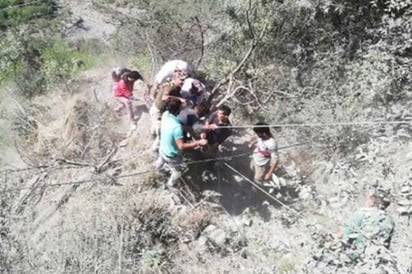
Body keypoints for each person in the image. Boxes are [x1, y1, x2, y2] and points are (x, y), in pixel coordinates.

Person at [155, 98, 208, 187]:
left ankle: (157, 171)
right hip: (172, 155)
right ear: (178, 110)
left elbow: (185, 128)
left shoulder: (165, 115)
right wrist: (198, 142)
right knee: (177, 173)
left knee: (160, 160)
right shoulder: (177, 127)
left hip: (162, 148)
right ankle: (170, 185)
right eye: (181, 107)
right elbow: (182, 146)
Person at [339, 190, 395, 255]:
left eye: (368, 198)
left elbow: (343, 234)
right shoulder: (389, 220)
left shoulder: (361, 214)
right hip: (379, 257)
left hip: (357, 256)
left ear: (372, 200)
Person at [149, 71, 187, 151]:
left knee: (156, 128)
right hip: (157, 111)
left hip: (162, 111)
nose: (183, 82)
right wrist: (179, 99)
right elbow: (164, 97)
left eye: (184, 80)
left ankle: (153, 136)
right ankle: (154, 149)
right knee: (160, 129)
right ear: (175, 79)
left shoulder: (177, 88)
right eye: (181, 80)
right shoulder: (170, 86)